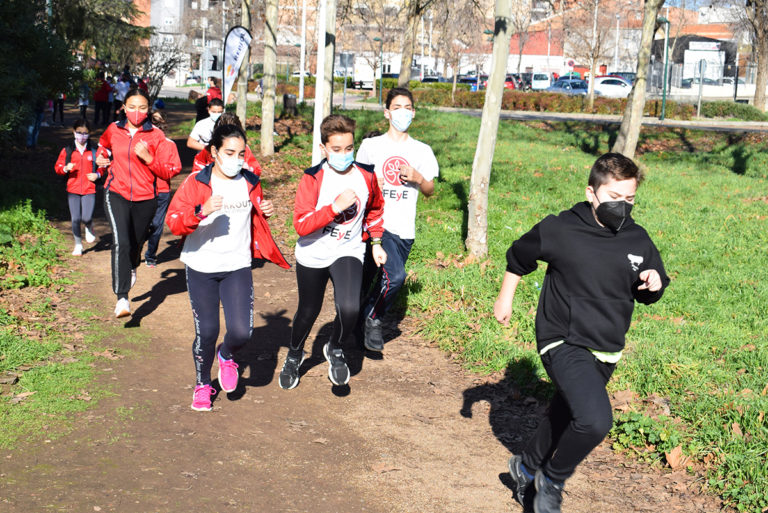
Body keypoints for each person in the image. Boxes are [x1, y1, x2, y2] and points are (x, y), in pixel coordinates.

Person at [493, 153, 670, 513]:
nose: (622, 207)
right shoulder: (561, 229)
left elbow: (651, 283)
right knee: (594, 420)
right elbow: (520, 255)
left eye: (630, 200)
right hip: (563, 337)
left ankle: (525, 466)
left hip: (607, 346)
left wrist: (654, 282)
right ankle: (552, 478)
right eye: (614, 198)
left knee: (566, 414)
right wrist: (505, 297)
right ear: (592, 193)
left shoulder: (637, 238)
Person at [166, 123, 289, 411]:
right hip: (201, 266)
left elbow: (254, 215)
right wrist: (201, 211)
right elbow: (173, 222)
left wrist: (265, 212)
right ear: (214, 152)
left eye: (241, 153)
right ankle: (202, 385)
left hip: (237, 265)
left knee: (242, 332)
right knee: (207, 331)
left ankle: (227, 355)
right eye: (229, 152)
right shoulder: (196, 182)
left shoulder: (250, 181)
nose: (236, 159)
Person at [278, 115, 386, 390]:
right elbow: (301, 225)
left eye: (349, 149)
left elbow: (374, 211)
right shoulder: (312, 178)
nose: (343, 155)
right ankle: (294, 355)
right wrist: (334, 208)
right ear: (323, 148)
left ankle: (335, 348)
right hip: (313, 253)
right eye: (336, 150)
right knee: (308, 311)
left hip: (347, 250)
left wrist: (376, 243)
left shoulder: (366, 176)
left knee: (349, 308)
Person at [356, 87, 438, 352]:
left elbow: (430, 190)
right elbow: (356, 183)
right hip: (377, 224)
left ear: (413, 113)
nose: (402, 112)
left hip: (405, 229)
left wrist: (418, 178)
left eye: (407, 108)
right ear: (387, 112)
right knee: (396, 276)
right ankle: (373, 317)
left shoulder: (422, 150)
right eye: (397, 107)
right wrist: (372, 183)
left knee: (373, 280)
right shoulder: (371, 146)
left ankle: (355, 327)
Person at [96, 88, 182, 318]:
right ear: (124, 107)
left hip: (146, 199)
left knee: (135, 244)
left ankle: (133, 264)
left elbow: (169, 171)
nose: (136, 112)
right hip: (116, 192)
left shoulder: (156, 136)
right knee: (120, 242)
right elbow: (103, 146)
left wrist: (149, 158)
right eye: (132, 107)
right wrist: (101, 160)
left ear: (148, 110)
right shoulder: (114, 129)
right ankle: (122, 297)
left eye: (142, 108)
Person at [54, 119, 103, 255]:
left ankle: (89, 226)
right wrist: (64, 168)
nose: (82, 136)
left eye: (85, 133)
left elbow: (103, 166)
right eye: (79, 132)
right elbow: (57, 167)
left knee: (86, 217)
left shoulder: (94, 150)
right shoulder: (68, 150)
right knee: (75, 218)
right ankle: (78, 244)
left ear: (90, 133)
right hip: (73, 189)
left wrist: (97, 175)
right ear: (73, 132)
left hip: (89, 189)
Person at [143, 110, 175, 268]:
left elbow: (175, 168)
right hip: (141, 189)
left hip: (162, 191)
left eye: (160, 122)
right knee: (140, 224)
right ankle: (134, 251)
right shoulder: (140, 143)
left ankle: (150, 255)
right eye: (154, 122)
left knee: (156, 225)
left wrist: (161, 168)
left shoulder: (169, 145)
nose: (157, 126)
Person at [191, 113, 261, 175]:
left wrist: (248, 170)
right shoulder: (208, 149)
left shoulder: (244, 149)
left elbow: (256, 170)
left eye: (241, 154)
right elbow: (197, 169)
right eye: (229, 153)